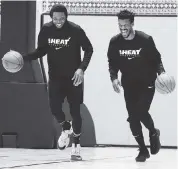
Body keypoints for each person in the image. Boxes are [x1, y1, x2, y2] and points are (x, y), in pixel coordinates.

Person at [23, 4, 93, 161]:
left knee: (75, 112)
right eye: (55, 19)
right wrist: (24, 58)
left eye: (62, 18)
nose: (59, 21)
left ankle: (76, 145)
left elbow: (88, 49)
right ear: (51, 18)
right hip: (55, 77)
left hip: (74, 78)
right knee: (55, 108)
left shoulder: (75, 30)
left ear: (66, 17)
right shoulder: (47, 30)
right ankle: (65, 127)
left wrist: (81, 69)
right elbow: (41, 51)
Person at [107, 10, 165, 162]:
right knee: (133, 118)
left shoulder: (145, 40)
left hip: (147, 83)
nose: (123, 28)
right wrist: (113, 78)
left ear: (132, 23)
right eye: (120, 25)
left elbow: (157, 59)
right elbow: (112, 63)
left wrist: (162, 74)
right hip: (129, 84)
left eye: (126, 25)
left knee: (140, 111)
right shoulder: (115, 42)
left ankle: (153, 132)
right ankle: (143, 150)